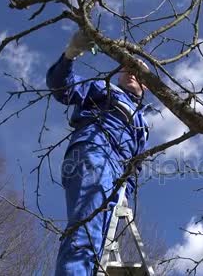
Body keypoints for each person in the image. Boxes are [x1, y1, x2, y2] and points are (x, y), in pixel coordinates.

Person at [46, 30, 151, 275]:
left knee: (103, 242)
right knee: (86, 231)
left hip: (121, 176)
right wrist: (70, 55)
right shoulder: (105, 90)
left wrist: (128, 190)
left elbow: (136, 163)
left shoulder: (143, 123)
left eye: (138, 71)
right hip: (95, 153)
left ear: (146, 84)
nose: (131, 73)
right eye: (127, 68)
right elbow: (62, 87)